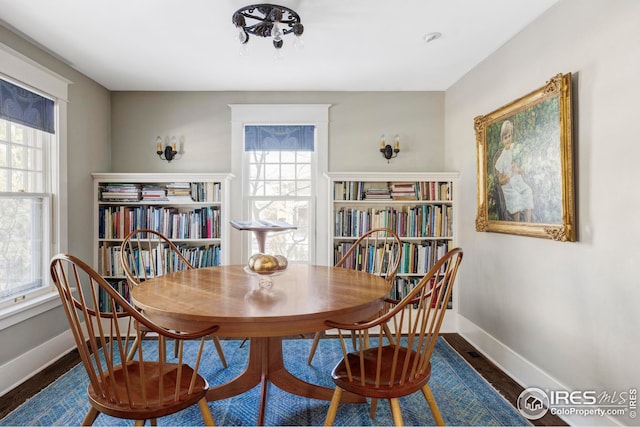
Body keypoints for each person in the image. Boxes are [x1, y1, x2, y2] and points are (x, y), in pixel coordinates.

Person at [494, 120, 533, 222]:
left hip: (518, 182)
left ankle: (528, 224)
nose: (508, 139)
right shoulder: (501, 158)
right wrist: (510, 175)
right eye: (505, 137)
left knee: (528, 191)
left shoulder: (516, 149)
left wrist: (518, 169)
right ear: (502, 139)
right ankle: (518, 225)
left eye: (509, 136)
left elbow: (522, 170)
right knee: (516, 197)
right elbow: (500, 181)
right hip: (508, 185)